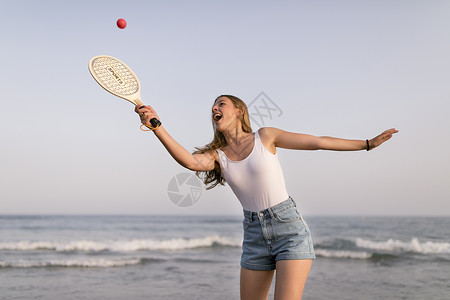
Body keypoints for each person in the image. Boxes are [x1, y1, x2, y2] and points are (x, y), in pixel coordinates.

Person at [135, 95, 398, 300]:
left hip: (289, 230)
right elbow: (191, 162)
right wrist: (156, 126)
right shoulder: (218, 156)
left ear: (239, 110)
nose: (215, 109)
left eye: (221, 104)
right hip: (254, 236)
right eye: (213, 107)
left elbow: (317, 141)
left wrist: (366, 144)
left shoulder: (265, 136)